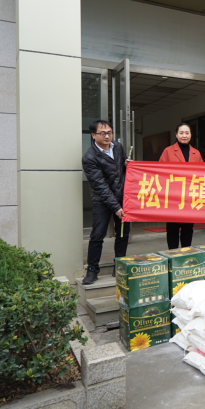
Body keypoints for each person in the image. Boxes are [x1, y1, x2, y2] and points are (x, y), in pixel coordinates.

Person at [81, 120, 130, 285]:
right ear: (93, 135)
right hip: (102, 201)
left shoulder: (118, 147)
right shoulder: (89, 157)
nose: (107, 136)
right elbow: (100, 186)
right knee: (97, 235)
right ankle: (92, 270)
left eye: (109, 132)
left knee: (122, 233)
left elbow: (122, 168)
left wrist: (127, 164)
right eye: (103, 133)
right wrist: (116, 207)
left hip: (123, 197)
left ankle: (120, 264)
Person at [159, 123, 203, 249]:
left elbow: (202, 174)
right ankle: (173, 255)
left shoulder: (196, 153)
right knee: (172, 229)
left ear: (191, 135)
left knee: (188, 229)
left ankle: (186, 255)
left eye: (187, 133)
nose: (184, 135)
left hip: (189, 197)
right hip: (173, 197)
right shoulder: (168, 151)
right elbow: (160, 172)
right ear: (176, 134)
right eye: (181, 133)